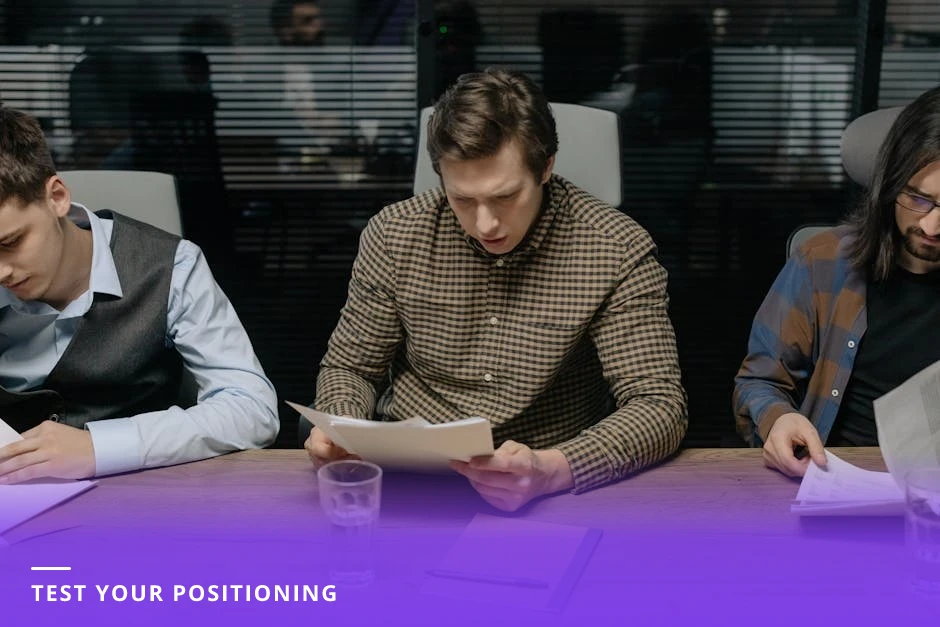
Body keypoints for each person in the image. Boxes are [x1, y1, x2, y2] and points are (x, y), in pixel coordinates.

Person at [305, 67, 688, 512]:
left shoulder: (616, 248)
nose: (484, 224)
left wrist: (554, 468)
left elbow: (658, 406)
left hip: (547, 481)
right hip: (408, 480)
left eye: (505, 197)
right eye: (463, 199)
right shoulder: (395, 235)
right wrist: (342, 423)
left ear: (545, 168)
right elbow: (352, 368)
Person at [0, 105, 279, 484]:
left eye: (11, 242)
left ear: (57, 197)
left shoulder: (172, 267)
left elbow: (252, 409)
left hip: (134, 493)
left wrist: (101, 447)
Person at [733, 87, 940, 477]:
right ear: (890, 185)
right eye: (917, 198)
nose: (931, 226)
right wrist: (778, 420)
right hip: (838, 475)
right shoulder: (824, 262)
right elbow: (759, 382)